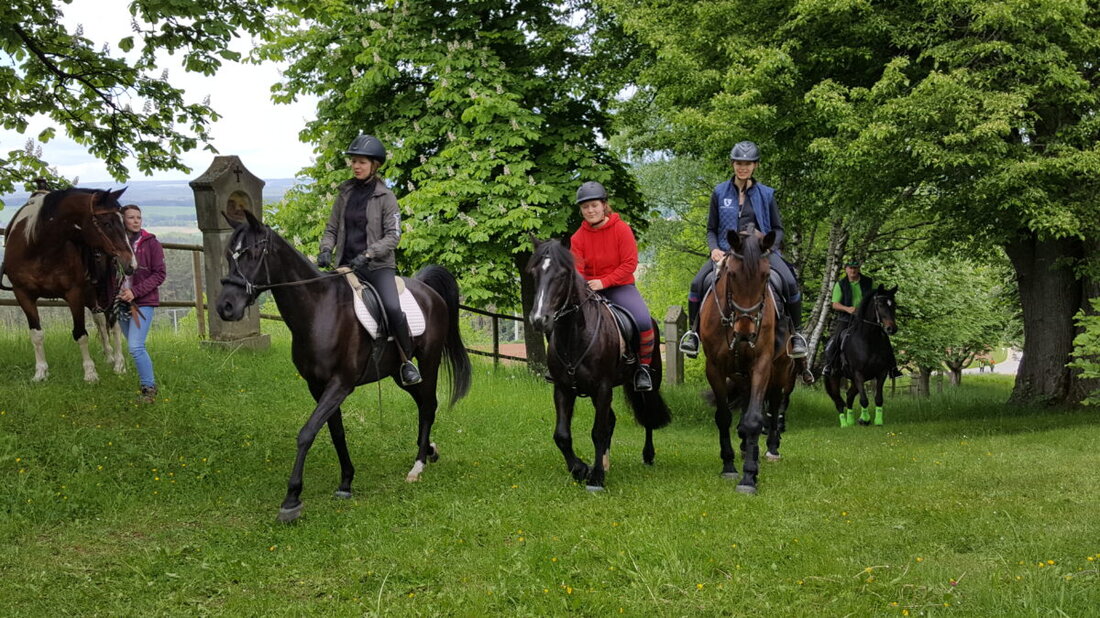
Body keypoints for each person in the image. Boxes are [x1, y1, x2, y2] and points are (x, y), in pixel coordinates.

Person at [678, 141, 808, 359]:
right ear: (733, 164)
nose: (743, 168)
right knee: (697, 283)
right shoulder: (719, 192)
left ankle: (797, 336)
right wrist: (714, 249)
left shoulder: (766, 194)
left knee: (790, 282)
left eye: (748, 164)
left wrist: (768, 248)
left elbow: (778, 229)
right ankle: (694, 334)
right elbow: (711, 229)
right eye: (739, 163)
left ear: (755, 165)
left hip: (760, 253)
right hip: (728, 252)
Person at [317, 134, 421, 386]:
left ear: (374, 165)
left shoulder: (386, 197)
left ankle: (406, 362)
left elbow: (393, 236)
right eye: (353, 161)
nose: (356, 166)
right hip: (345, 267)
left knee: (392, 308)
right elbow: (331, 229)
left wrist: (367, 254)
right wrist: (326, 249)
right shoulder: (344, 194)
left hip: (377, 267)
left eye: (361, 162)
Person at [570, 181, 656, 391]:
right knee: (564, 319)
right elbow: (577, 270)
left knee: (643, 320)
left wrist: (604, 282)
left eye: (594, 205)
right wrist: (585, 286)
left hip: (619, 286)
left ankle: (643, 368)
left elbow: (629, 264)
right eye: (585, 207)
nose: (590, 210)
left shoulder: (621, 229)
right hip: (588, 290)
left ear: (604, 205)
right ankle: (563, 367)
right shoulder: (577, 238)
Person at [117, 204, 166, 404]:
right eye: (131, 217)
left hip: (142, 302)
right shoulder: (116, 243)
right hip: (120, 303)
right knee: (134, 346)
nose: (136, 221)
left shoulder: (151, 243)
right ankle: (148, 384)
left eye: (138, 217)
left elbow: (160, 274)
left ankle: (149, 389)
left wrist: (135, 292)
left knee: (135, 347)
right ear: (122, 220)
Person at [822, 259, 873, 375]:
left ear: (858, 269)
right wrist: (848, 309)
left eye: (855, 268)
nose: (853, 270)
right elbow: (835, 304)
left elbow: (875, 296)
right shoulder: (840, 284)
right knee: (836, 340)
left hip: (866, 319)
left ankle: (892, 366)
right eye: (850, 268)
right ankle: (829, 365)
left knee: (882, 336)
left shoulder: (869, 282)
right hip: (846, 318)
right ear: (846, 269)